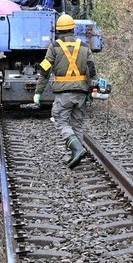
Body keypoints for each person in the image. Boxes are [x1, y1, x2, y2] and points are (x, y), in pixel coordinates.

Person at [34, 13, 97, 169]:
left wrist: (38, 92)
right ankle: (76, 155)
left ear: (58, 30)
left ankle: (77, 150)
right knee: (77, 124)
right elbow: (91, 71)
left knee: (61, 121)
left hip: (63, 93)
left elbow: (45, 70)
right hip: (81, 92)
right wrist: (90, 91)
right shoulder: (84, 46)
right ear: (73, 29)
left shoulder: (54, 47)